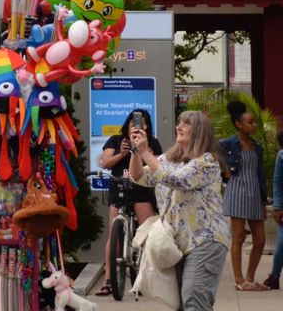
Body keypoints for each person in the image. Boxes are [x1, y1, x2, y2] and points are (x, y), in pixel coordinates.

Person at [129, 110, 230, 311]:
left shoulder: (207, 162)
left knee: (194, 301)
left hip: (205, 241)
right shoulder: (169, 159)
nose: (179, 127)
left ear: (199, 131)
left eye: (185, 124)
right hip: (178, 244)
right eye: (178, 123)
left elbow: (176, 180)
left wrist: (146, 152)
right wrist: (136, 151)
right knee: (182, 305)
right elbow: (139, 177)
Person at [96, 108, 161, 297]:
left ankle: (147, 278)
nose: (136, 128)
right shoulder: (117, 140)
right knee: (113, 233)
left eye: (141, 124)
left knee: (148, 231)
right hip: (120, 186)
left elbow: (158, 166)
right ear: (127, 126)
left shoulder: (152, 142)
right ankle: (108, 280)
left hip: (141, 188)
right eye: (133, 125)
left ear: (147, 127)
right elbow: (106, 163)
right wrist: (123, 154)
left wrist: (145, 151)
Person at [219, 99, 269, 291]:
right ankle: (239, 280)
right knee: (238, 236)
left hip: (255, 193)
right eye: (250, 122)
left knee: (260, 239)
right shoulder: (230, 143)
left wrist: (264, 201)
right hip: (237, 191)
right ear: (239, 124)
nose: (254, 125)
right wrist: (224, 172)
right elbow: (212, 151)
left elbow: (260, 175)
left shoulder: (257, 147)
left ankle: (249, 277)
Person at [265, 130, 283, 290]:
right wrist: (277, 206)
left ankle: (274, 276)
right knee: (282, 240)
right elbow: (277, 181)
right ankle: (275, 276)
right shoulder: (281, 155)